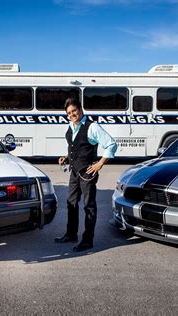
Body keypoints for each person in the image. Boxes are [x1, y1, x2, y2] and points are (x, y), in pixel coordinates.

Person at [55, 98, 118, 252]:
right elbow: (75, 148)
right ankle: (71, 234)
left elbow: (111, 144)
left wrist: (100, 163)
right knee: (71, 203)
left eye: (74, 111)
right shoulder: (70, 127)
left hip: (87, 174)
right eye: (69, 113)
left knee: (89, 206)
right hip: (74, 173)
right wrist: (66, 158)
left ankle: (87, 240)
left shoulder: (92, 127)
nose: (72, 115)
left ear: (80, 109)